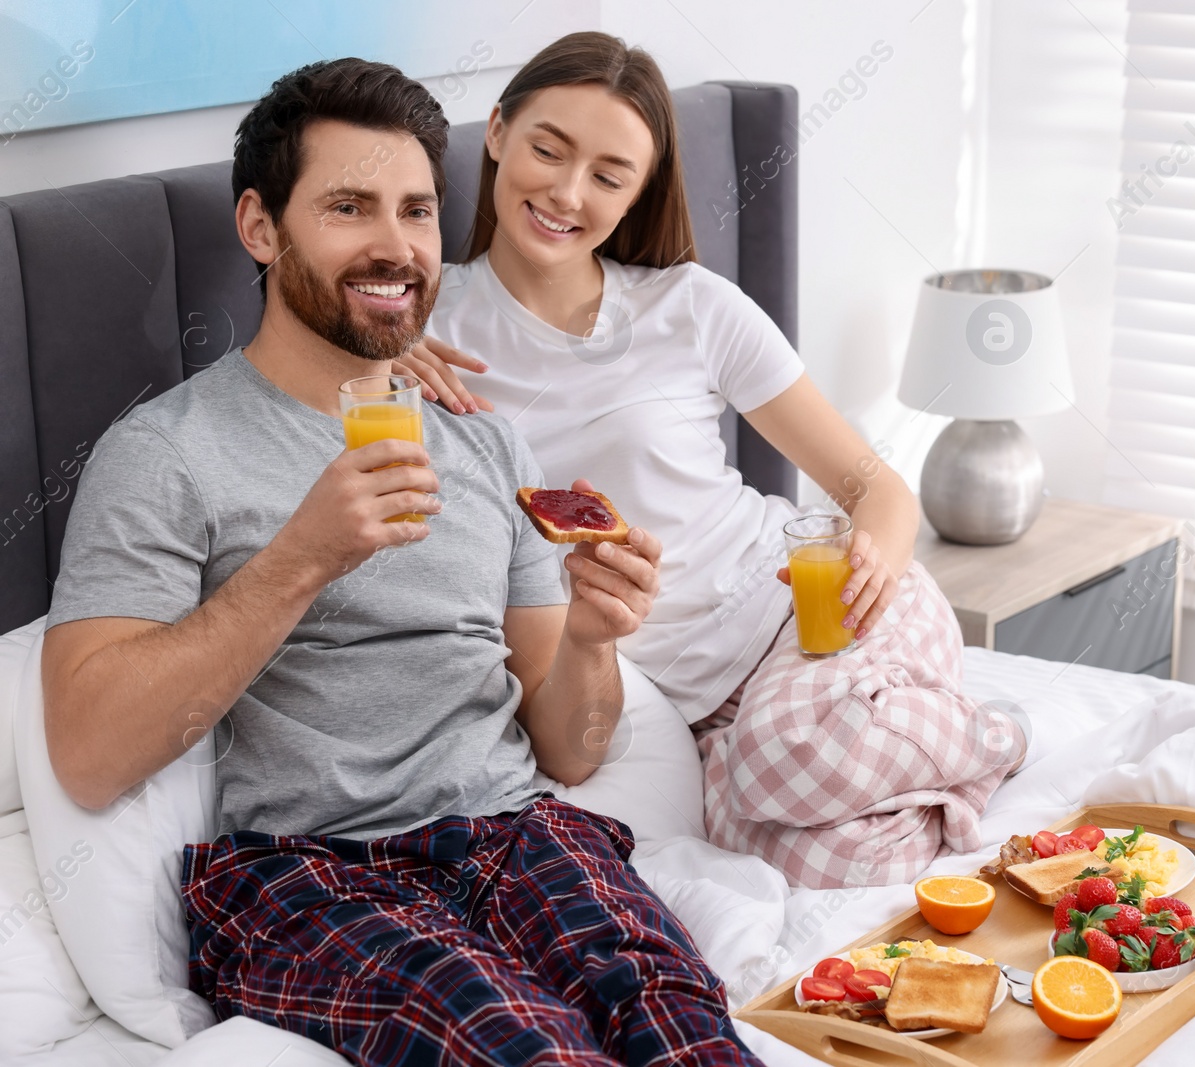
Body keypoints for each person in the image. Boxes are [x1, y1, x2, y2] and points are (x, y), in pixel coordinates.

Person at [40, 57, 761, 1067]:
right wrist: (302, 556)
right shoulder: (166, 451)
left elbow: (572, 748)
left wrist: (594, 639)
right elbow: (90, 746)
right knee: (524, 1047)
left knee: (686, 1027)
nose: (395, 246)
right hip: (310, 877)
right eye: (348, 206)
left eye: (417, 211)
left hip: (521, 835)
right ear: (260, 226)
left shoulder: (486, 446)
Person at [396, 32, 1031, 890]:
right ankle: (930, 789)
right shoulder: (421, 326)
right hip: (685, 702)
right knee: (812, 858)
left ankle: (995, 735)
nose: (566, 191)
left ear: (639, 194)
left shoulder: (690, 307)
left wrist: (871, 556)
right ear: (500, 133)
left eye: (609, 175)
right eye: (548, 149)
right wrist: (367, 362)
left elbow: (872, 487)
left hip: (805, 617)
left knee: (779, 760)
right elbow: (284, 361)